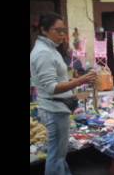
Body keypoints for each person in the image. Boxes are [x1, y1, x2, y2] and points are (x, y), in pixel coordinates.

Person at [30, 12, 97, 175]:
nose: (62, 34)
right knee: (56, 156)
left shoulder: (50, 49)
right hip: (54, 109)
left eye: (63, 30)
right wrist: (81, 81)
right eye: (57, 30)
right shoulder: (44, 53)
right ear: (44, 30)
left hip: (57, 107)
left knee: (59, 153)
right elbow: (52, 87)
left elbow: (57, 79)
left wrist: (77, 78)